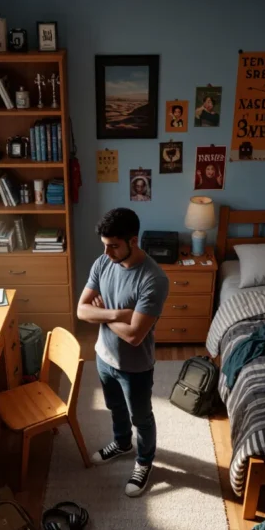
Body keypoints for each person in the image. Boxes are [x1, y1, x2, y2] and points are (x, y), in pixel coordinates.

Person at [77, 208, 169, 497]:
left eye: (114, 246)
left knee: (141, 417)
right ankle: (121, 443)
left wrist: (100, 313)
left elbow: (134, 335)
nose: (106, 252)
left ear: (134, 240)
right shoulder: (103, 262)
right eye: (104, 245)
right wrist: (115, 313)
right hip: (103, 357)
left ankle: (144, 461)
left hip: (136, 366)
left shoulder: (153, 279)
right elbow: (81, 311)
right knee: (114, 408)